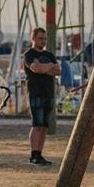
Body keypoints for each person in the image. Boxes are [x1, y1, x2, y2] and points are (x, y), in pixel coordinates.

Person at [22, 27, 59, 166]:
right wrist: (49, 66)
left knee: (44, 126)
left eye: (44, 39)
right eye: (40, 38)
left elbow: (58, 71)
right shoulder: (29, 55)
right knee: (37, 125)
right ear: (33, 38)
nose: (43, 41)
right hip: (35, 92)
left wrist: (44, 67)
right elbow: (35, 69)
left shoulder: (49, 55)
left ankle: (40, 153)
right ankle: (33, 155)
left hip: (48, 92)